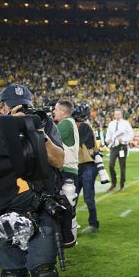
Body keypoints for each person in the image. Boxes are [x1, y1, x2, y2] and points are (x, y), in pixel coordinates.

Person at [0, 83, 65, 277]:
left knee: (44, 275)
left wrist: (37, 132)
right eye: (14, 107)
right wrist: (10, 129)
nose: (21, 111)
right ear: (1, 107)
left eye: (25, 107)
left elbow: (58, 160)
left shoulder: (44, 124)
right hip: (5, 212)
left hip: (41, 208)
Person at [53, 99, 80, 245]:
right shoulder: (70, 122)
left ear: (63, 111)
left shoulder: (64, 123)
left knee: (63, 206)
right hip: (71, 168)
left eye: (56, 110)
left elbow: (51, 140)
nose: (54, 112)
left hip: (65, 168)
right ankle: (70, 238)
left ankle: (67, 238)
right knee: (69, 205)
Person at [72, 104, 100, 234]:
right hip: (78, 166)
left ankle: (93, 223)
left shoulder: (84, 127)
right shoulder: (82, 126)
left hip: (88, 164)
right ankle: (72, 224)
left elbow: (78, 142)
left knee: (87, 197)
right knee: (73, 197)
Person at [104, 108, 134, 192]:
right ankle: (113, 183)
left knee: (122, 166)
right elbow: (108, 135)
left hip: (122, 146)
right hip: (113, 146)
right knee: (110, 165)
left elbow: (131, 134)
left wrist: (124, 139)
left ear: (121, 115)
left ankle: (122, 184)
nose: (117, 116)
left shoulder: (126, 123)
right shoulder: (111, 124)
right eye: (115, 114)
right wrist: (108, 140)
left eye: (118, 114)